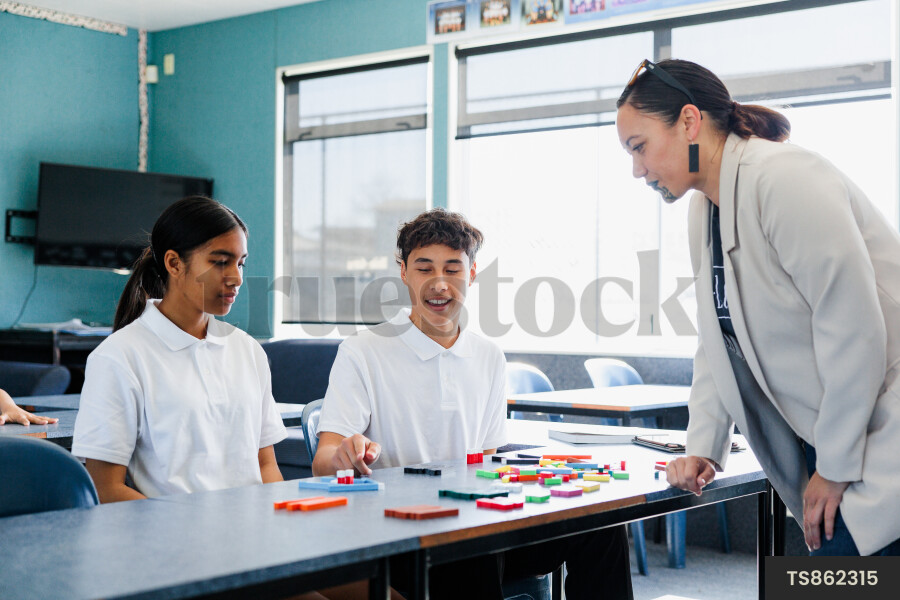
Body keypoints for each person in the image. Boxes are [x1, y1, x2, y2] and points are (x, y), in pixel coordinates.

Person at [616, 58, 900, 557]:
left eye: (639, 148)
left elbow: (856, 331)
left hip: (879, 430)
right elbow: (717, 337)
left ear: (688, 121)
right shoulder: (707, 206)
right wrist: (702, 445)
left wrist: (832, 467)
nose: (637, 170)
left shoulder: (785, 178)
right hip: (835, 437)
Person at [314, 208, 633, 600]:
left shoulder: (488, 356)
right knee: (466, 545)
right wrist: (343, 456)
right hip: (401, 534)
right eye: (424, 268)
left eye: (452, 269)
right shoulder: (363, 351)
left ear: (473, 272)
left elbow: (485, 461)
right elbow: (324, 457)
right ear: (403, 273)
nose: (439, 283)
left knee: (600, 523)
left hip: (477, 524)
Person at [72, 196, 287, 501]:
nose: (237, 278)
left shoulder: (248, 350)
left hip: (251, 537)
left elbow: (265, 466)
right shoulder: (119, 357)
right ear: (174, 263)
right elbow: (105, 487)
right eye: (220, 262)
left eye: (240, 263)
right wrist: (183, 534)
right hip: (171, 543)